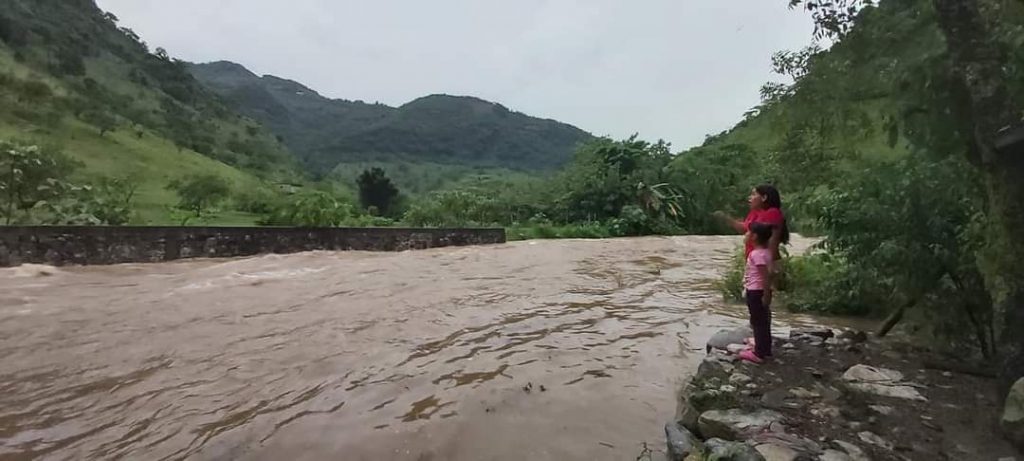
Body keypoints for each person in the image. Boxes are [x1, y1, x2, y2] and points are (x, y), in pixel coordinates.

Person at [715, 184, 790, 270]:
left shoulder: (773, 213)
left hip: (765, 263)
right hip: (756, 261)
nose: (750, 198)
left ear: (764, 198)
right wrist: (726, 219)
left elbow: (773, 241)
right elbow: (744, 229)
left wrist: (770, 266)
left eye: (754, 194)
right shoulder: (754, 213)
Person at [739, 222, 774, 364]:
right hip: (760, 291)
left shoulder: (756, 254)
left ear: (755, 236)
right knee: (763, 321)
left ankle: (758, 353)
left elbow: (764, 276)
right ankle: (765, 348)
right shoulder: (766, 252)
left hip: (755, 291)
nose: (746, 235)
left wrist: (766, 293)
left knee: (758, 322)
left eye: (748, 232)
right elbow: (770, 273)